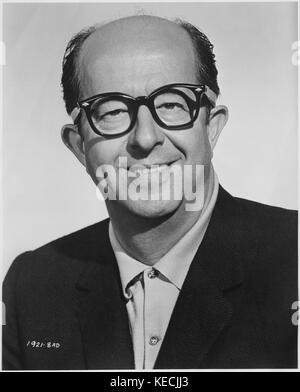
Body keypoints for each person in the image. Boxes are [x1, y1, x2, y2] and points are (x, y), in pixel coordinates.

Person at [2, 15, 298, 370]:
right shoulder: (33, 285)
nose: (145, 138)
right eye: (111, 110)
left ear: (212, 127)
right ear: (79, 146)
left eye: (171, 104)